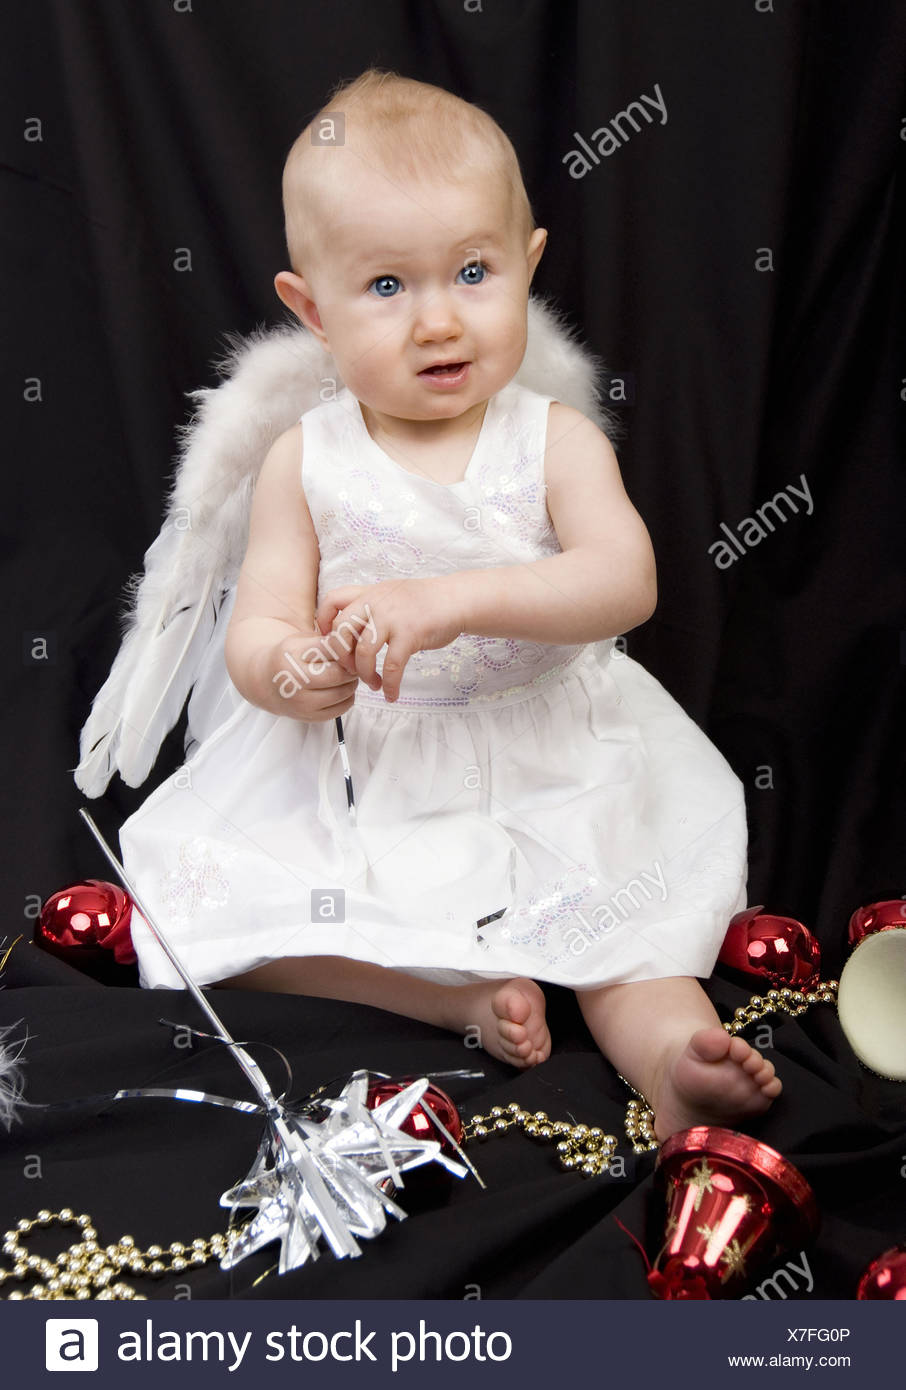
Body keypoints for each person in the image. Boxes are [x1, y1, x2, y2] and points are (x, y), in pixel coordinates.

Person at [116, 68, 781, 1141]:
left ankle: (668, 1060)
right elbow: (260, 625)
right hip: (379, 760)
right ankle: (447, 997)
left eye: (472, 272)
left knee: (624, 929)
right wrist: (293, 670)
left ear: (527, 266)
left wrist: (452, 600)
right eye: (386, 287)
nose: (437, 321)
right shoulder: (304, 459)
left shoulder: (551, 440)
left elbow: (625, 580)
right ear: (311, 310)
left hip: (555, 752)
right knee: (225, 912)